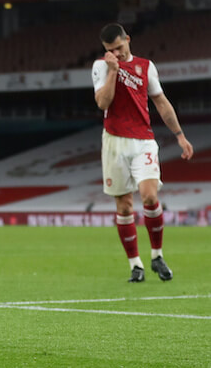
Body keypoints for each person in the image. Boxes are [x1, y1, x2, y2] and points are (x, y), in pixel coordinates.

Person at [92, 23, 194, 282]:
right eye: (109, 50)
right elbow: (103, 103)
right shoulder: (100, 67)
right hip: (114, 141)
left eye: (119, 47)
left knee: (149, 196)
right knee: (124, 206)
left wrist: (180, 135)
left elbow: (160, 101)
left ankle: (157, 256)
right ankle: (135, 264)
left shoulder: (146, 66)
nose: (115, 52)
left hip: (143, 141)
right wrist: (113, 71)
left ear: (128, 39)